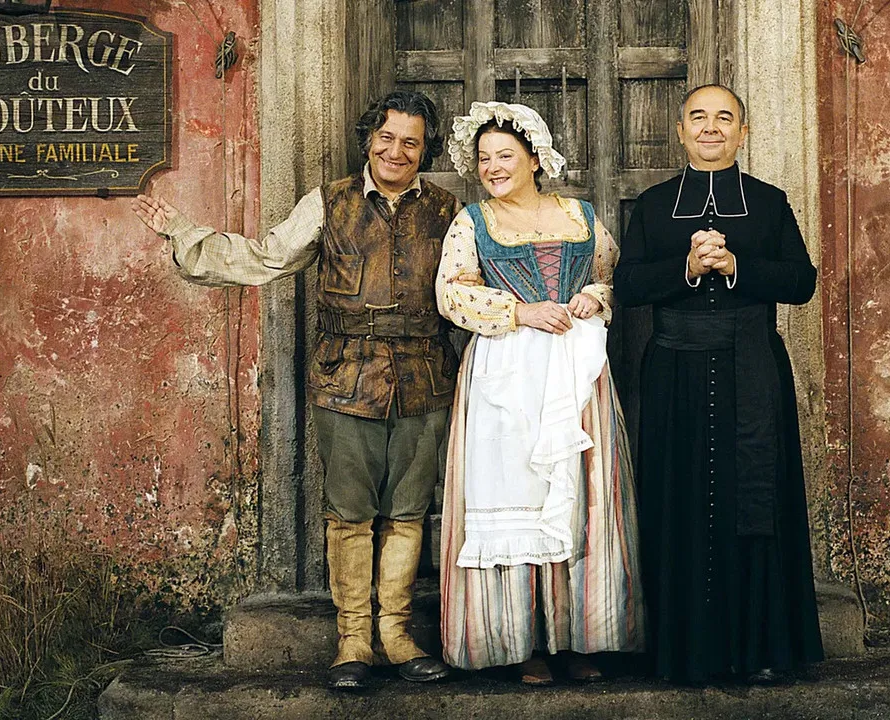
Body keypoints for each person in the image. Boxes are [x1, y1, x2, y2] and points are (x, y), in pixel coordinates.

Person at [131, 90, 458, 691]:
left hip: (425, 380)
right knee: (350, 513)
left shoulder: (449, 211)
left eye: (411, 143)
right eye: (386, 138)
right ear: (369, 139)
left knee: (409, 511)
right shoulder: (327, 203)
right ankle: (353, 640)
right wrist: (180, 231)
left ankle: (396, 634)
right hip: (346, 378)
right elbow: (265, 258)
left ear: (425, 150)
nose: (396, 151)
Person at [613, 83, 824, 684]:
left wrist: (737, 267)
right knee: (677, 500)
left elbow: (802, 282)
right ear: (680, 131)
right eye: (699, 117)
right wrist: (684, 268)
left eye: (724, 117)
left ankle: (759, 649)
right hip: (673, 373)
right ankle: (684, 652)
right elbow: (627, 287)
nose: (711, 127)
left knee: (754, 501)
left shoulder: (770, 202)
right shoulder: (654, 206)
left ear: (742, 132)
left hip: (751, 368)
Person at [435, 101, 645, 686]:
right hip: (505, 371)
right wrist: (521, 311)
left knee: (580, 493)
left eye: (505, 155)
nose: (493, 167)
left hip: (576, 371)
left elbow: (613, 276)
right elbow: (450, 293)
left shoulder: (580, 215)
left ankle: (578, 637)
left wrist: (593, 298)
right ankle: (521, 641)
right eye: (484, 158)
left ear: (535, 158)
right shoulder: (472, 222)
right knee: (516, 492)